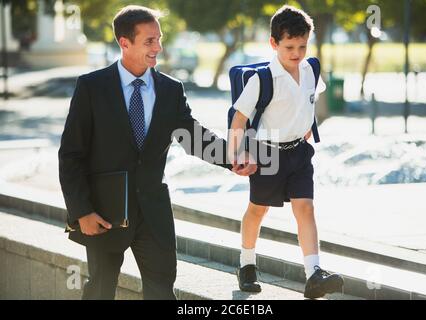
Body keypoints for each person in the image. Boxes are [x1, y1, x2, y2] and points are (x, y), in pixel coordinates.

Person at [59, 5, 255, 300]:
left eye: (159, 39)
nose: (158, 48)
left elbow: (193, 137)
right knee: (100, 290)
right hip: (104, 212)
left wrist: (232, 159)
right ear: (125, 43)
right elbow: (71, 155)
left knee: (162, 292)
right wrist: (82, 212)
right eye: (149, 41)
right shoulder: (92, 87)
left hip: (154, 211)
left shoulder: (170, 90)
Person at [228, 5, 344, 299]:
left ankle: (314, 274)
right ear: (273, 44)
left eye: (302, 46)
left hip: (299, 154)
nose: (296, 53)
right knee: (258, 210)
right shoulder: (262, 79)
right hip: (266, 154)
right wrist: (236, 155)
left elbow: (310, 98)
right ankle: (247, 265)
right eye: (289, 46)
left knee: (305, 208)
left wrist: (305, 125)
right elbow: (239, 118)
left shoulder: (311, 69)